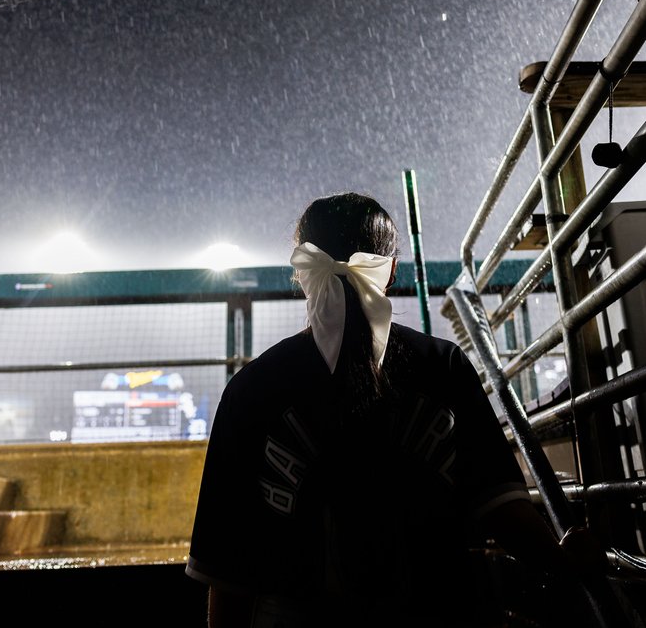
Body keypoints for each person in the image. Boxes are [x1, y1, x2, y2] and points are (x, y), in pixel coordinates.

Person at [186, 192, 594, 627]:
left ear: (301, 271)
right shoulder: (444, 366)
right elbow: (501, 508)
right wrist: (563, 557)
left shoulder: (252, 388)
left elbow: (227, 570)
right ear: (392, 270)